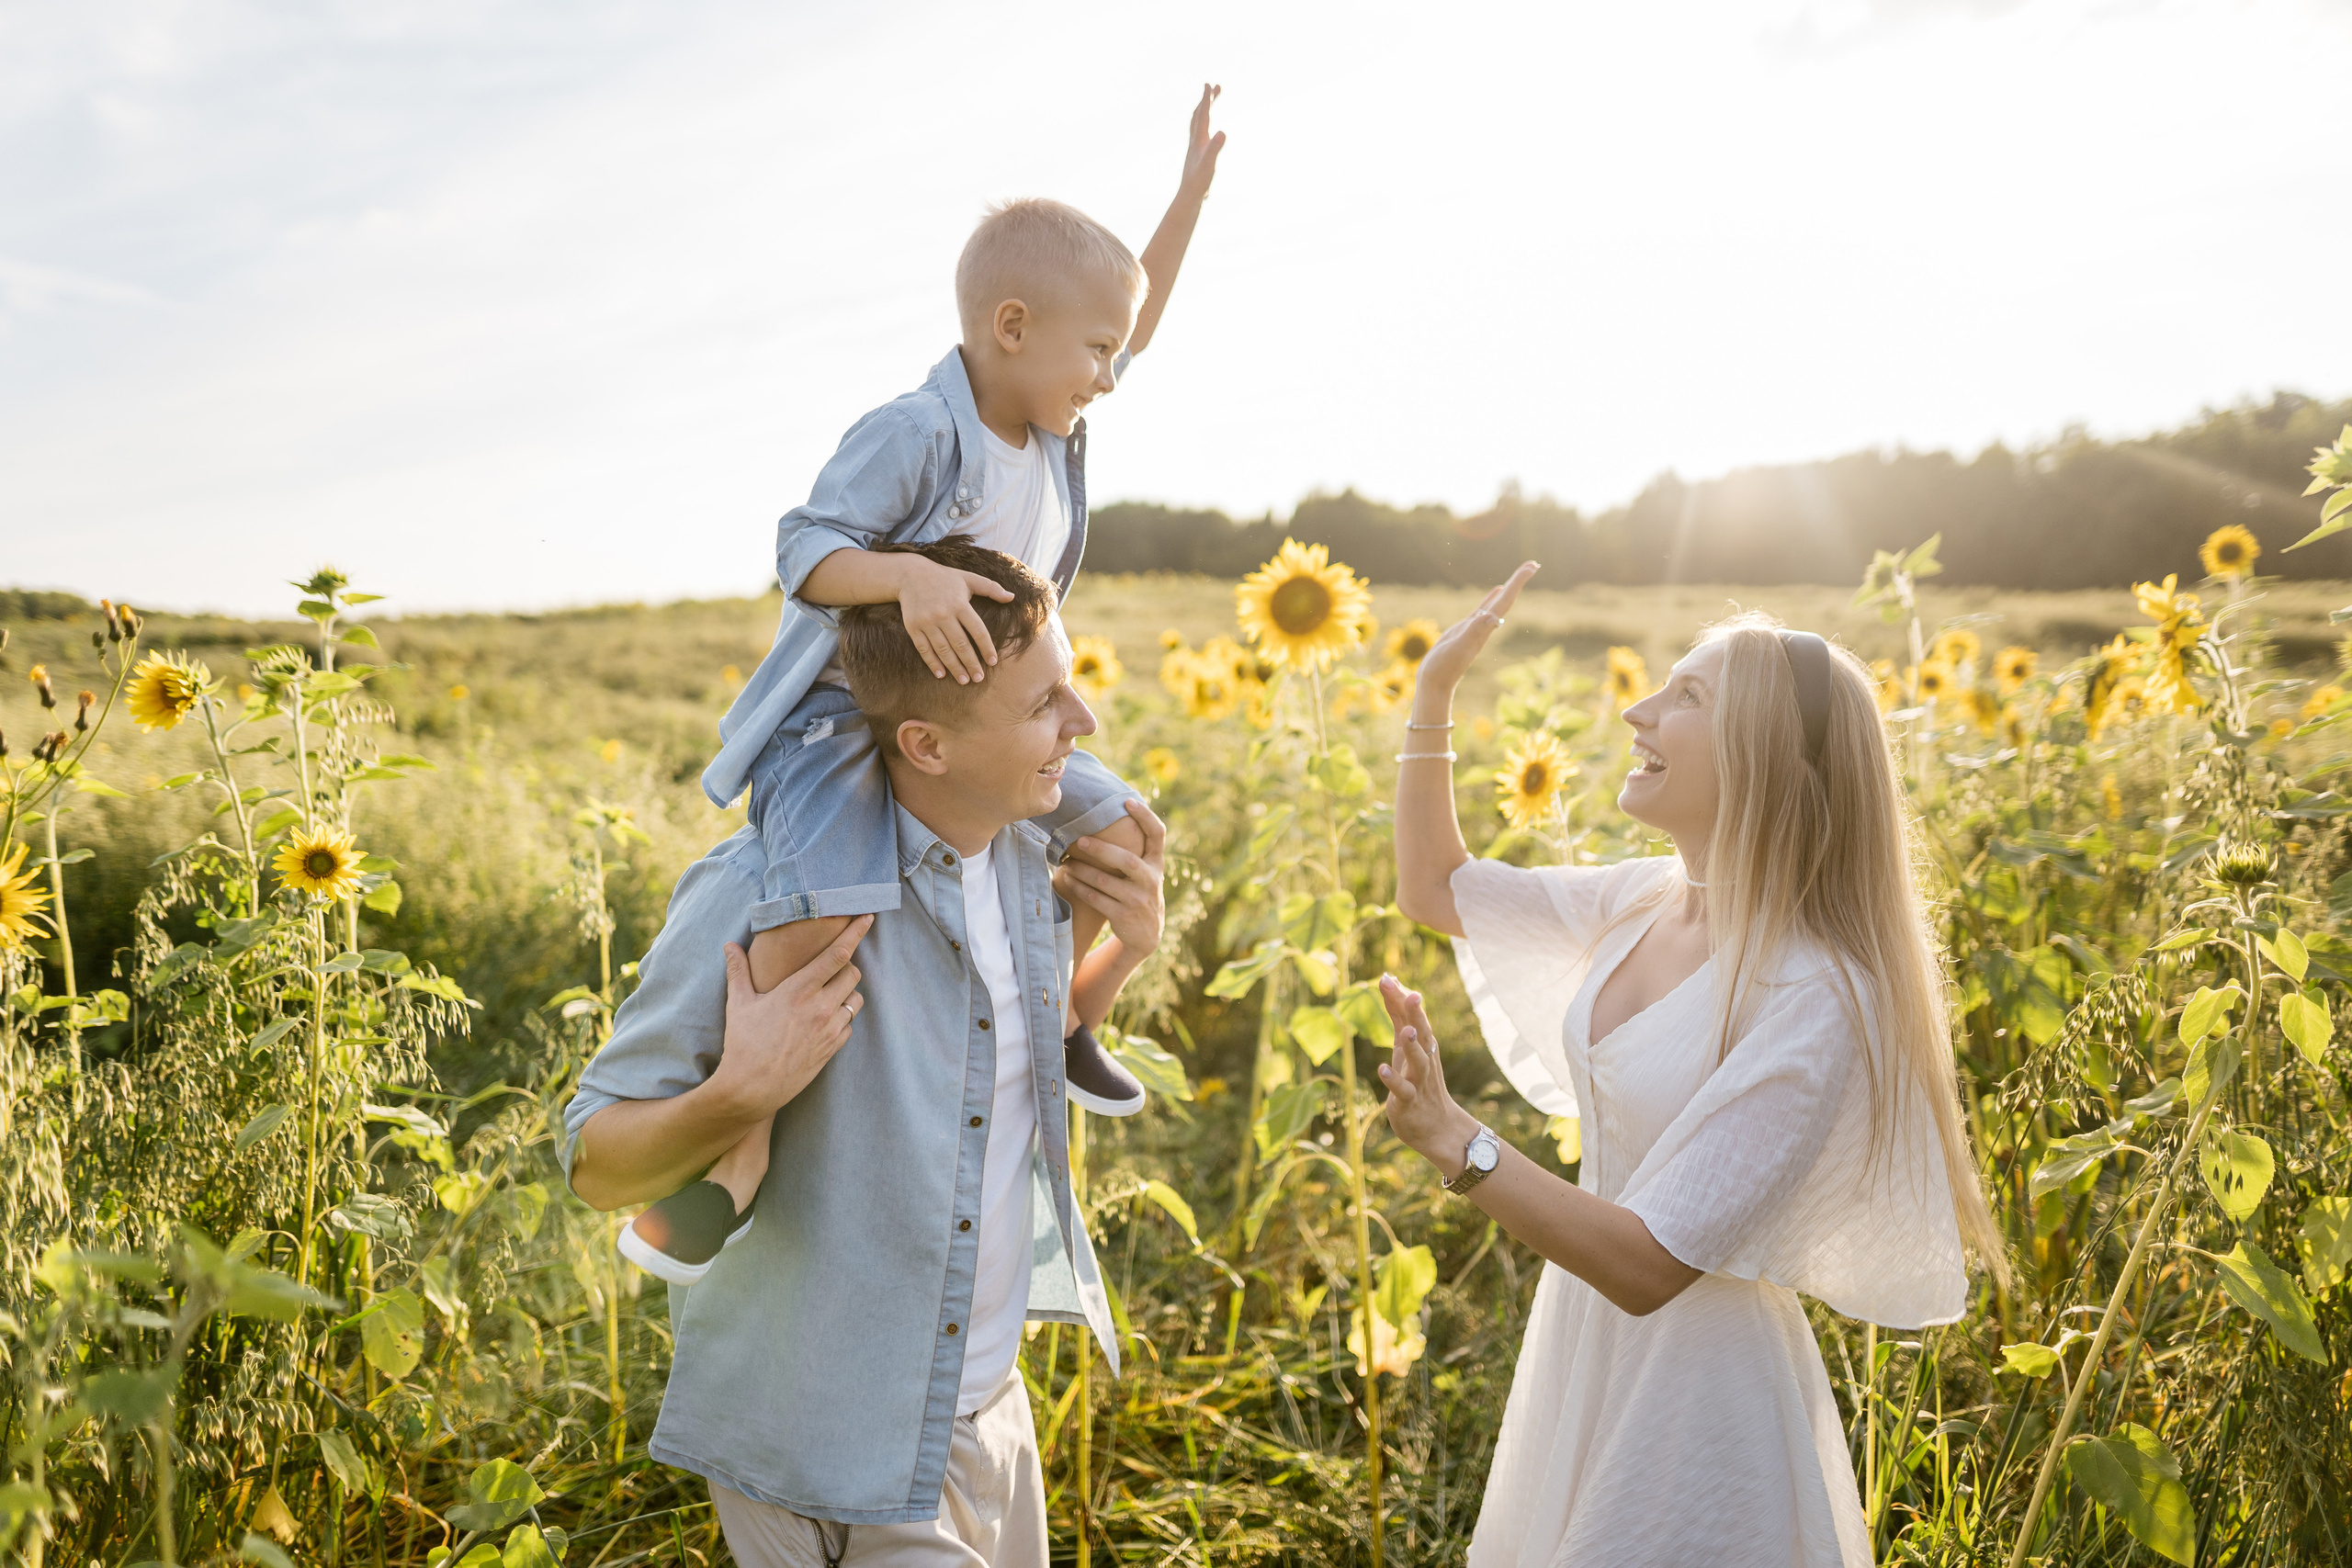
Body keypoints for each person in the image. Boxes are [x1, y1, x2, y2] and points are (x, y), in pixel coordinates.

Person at [620, 85, 1228, 1282]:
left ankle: (1069, 1026)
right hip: (849, 722)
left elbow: (1133, 320)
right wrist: (903, 577)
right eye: (1094, 353)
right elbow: (804, 548)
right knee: (821, 913)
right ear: (1012, 326)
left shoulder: (1055, 434)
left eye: (1114, 352)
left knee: (1123, 831)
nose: (1110, 375)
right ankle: (725, 1166)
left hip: (991, 718)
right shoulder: (917, 430)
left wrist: (1193, 189)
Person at [1378, 564, 2007, 1568]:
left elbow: (1652, 1264)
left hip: (1697, 1394)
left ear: (1770, 760)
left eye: (1686, 697)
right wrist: (1434, 694)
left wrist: (1462, 1143)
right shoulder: (1645, 897)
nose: (1636, 710)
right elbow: (1435, 887)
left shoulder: (1819, 993)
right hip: (1582, 1343)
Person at [564, 541, 1167, 1564]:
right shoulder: (764, 894)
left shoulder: (1032, 869)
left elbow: (1000, 1067)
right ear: (926, 745)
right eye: (1042, 705)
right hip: (829, 1445)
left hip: (987, 1410)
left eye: (1071, 685)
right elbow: (595, 1165)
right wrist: (736, 1096)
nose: (1084, 724)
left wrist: (1121, 952)